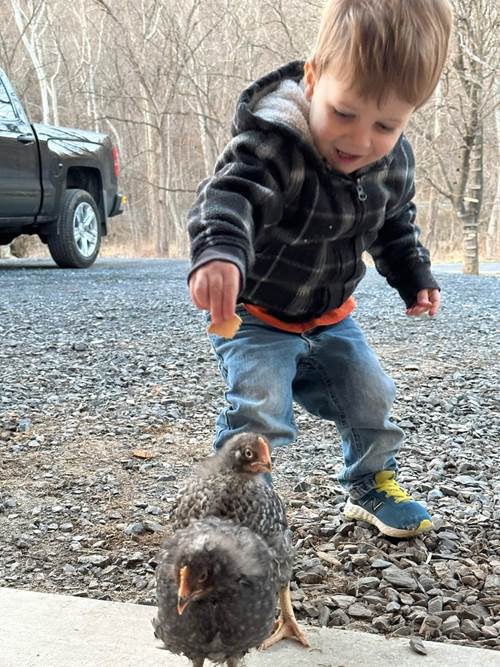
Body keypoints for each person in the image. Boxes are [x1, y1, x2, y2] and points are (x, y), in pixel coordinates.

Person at [187, 0, 453, 538]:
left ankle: (369, 482)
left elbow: (394, 221)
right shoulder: (272, 146)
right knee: (259, 413)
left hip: (332, 316)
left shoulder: (392, 159)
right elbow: (228, 198)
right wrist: (219, 252)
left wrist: (414, 274)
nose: (359, 140)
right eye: (345, 113)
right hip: (258, 317)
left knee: (371, 396)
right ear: (313, 79)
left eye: (386, 124)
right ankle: (239, 508)